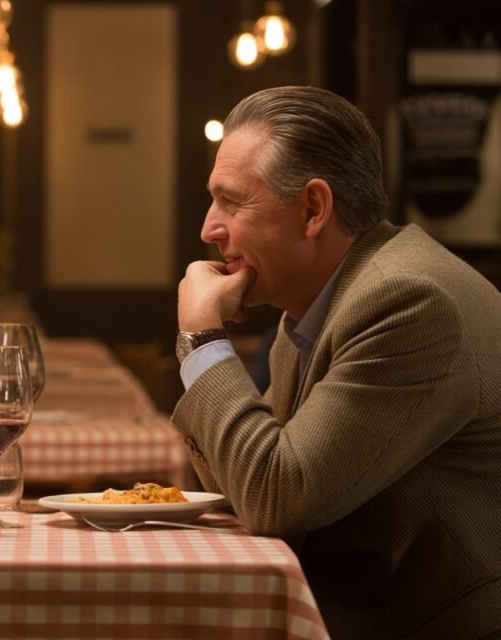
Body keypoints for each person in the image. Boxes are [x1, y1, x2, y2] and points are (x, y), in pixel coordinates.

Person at [172, 86, 501, 638]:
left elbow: (274, 494)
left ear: (313, 209)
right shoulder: (317, 304)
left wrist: (200, 338)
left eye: (231, 202)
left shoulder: (409, 302)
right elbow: (247, 485)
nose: (209, 228)